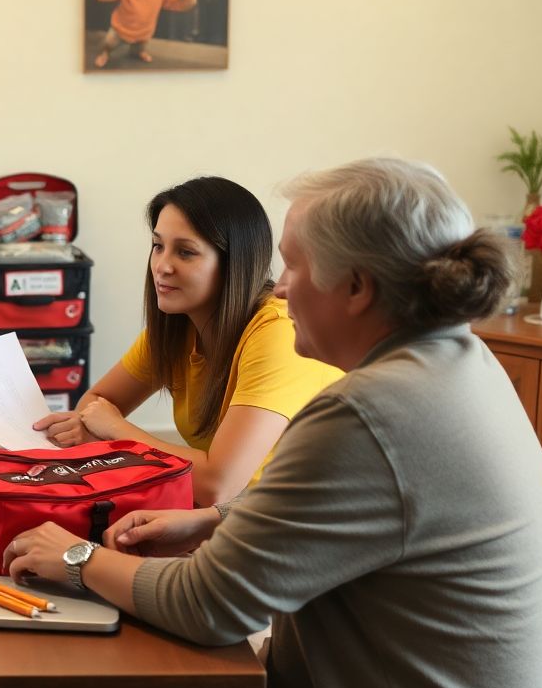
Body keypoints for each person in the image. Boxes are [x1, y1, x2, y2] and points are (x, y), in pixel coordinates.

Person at [5, 158, 542, 688]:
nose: (278, 286)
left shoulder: (366, 410)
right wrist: (218, 519)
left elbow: (207, 606)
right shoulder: (460, 361)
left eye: (295, 265)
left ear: (357, 287)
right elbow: (368, 506)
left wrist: (72, 556)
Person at [34, 176, 341, 507]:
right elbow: (95, 405)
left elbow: (217, 485)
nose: (162, 266)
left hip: (299, 517)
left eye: (186, 252)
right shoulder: (177, 326)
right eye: (157, 246)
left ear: (234, 263)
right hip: (225, 513)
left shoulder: (278, 331)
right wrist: (98, 428)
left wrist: (117, 433)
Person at [93, 0, 197, 68]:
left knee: (139, 47)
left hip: (144, 32)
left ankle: (138, 52)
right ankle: (105, 54)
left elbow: (183, 5)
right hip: (120, 28)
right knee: (108, 44)